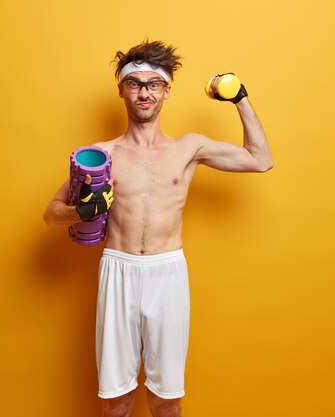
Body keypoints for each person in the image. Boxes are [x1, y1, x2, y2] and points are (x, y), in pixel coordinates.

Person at [44, 40, 273, 417]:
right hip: (118, 269)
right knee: (117, 401)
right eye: (135, 83)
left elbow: (260, 159)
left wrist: (239, 98)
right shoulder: (102, 155)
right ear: (121, 90)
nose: (144, 92)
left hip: (168, 273)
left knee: (167, 401)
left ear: (166, 90)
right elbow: (51, 213)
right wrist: (81, 213)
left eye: (153, 84)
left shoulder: (188, 149)